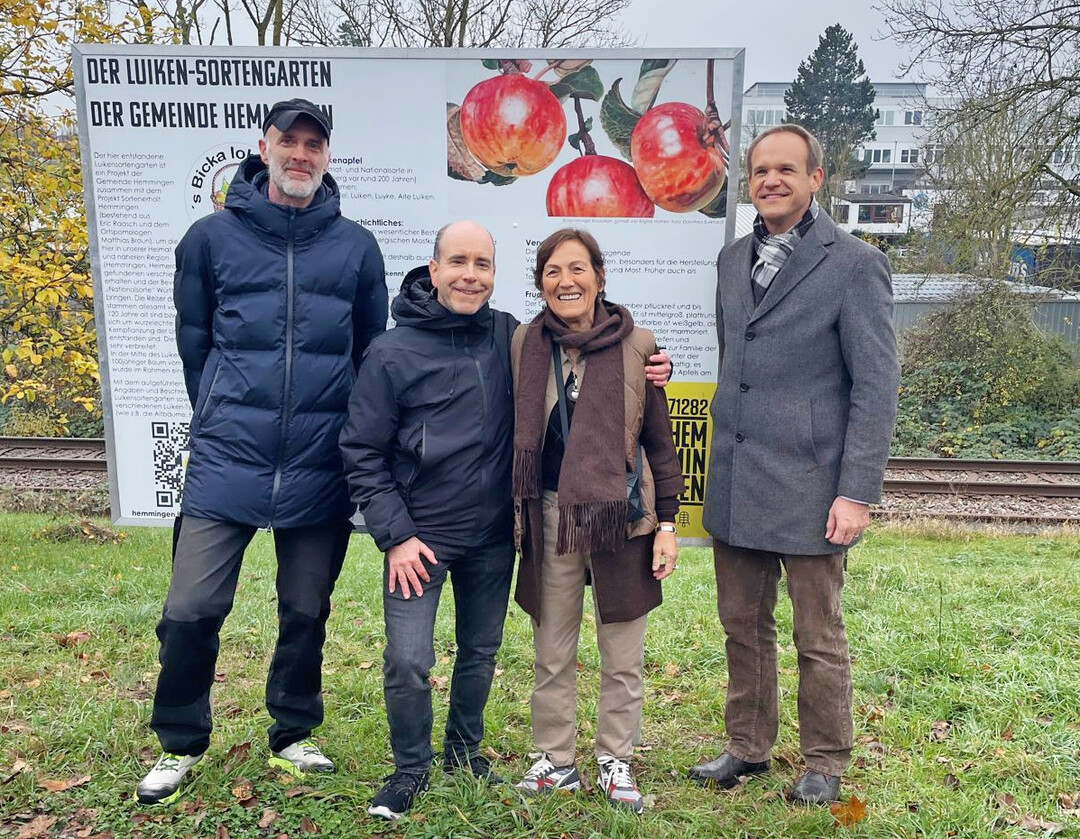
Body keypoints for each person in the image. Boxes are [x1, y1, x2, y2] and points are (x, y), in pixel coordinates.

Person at [338, 221, 672, 821]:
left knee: (483, 650)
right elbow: (361, 451)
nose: (471, 274)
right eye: (458, 262)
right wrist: (395, 535)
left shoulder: (513, 336)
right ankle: (412, 768)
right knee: (411, 660)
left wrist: (650, 364)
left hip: (504, 533)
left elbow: (619, 383)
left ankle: (467, 753)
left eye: (483, 264)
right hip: (423, 536)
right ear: (433, 270)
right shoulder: (407, 350)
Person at [135, 98, 388, 805]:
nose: (300, 153)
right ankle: (180, 741)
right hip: (226, 460)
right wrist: (222, 409)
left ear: (327, 156)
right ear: (264, 146)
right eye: (289, 140)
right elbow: (196, 347)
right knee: (190, 607)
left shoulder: (357, 247)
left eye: (314, 143)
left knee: (306, 608)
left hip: (320, 461)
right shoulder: (209, 239)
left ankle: (292, 732)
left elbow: (372, 353)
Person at [691, 124, 900, 804]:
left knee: (818, 632)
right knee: (741, 624)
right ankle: (748, 746)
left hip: (814, 486)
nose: (771, 179)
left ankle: (825, 760)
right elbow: (737, 361)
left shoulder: (855, 264)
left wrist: (857, 491)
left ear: (816, 178)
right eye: (759, 170)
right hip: (736, 477)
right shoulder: (730, 261)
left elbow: (875, 386)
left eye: (786, 168)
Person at [511, 228, 684, 814]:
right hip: (551, 512)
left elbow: (659, 444)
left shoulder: (638, 344)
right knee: (553, 647)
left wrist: (668, 524)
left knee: (622, 648)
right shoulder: (524, 344)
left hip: (623, 517)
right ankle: (555, 759)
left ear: (600, 277)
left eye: (578, 269)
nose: (567, 281)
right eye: (554, 271)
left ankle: (616, 758)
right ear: (540, 283)